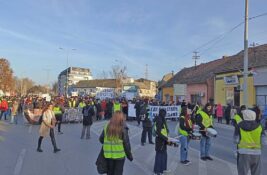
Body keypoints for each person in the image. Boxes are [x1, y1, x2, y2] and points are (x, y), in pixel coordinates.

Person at [236, 109, 264, 175]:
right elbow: (264, 142)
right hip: (257, 153)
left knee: (243, 172)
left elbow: (235, 140)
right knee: (256, 172)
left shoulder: (239, 125)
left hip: (243, 153)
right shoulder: (260, 126)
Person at [153, 109, 170, 175]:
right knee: (159, 156)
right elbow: (158, 132)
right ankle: (157, 171)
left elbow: (163, 130)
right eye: (164, 114)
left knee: (164, 155)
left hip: (163, 140)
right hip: (160, 141)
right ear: (162, 114)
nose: (165, 115)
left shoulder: (162, 119)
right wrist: (166, 138)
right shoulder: (159, 120)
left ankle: (163, 169)